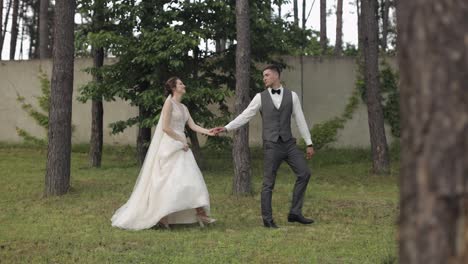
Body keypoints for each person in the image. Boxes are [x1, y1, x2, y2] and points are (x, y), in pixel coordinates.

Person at [211, 65, 315, 228]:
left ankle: (295, 213)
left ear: (276, 76)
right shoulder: (260, 97)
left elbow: (300, 120)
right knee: (268, 183)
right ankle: (267, 219)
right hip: (271, 145)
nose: (264, 78)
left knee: (304, 173)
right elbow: (245, 115)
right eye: (263, 76)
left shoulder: (292, 96)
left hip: (289, 144)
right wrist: (226, 128)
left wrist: (309, 142)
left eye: (266, 75)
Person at [111, 77, 216, 230]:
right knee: (167, 182)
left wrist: (209, 131)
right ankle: (162, 217)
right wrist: (181, 140)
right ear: (174, 88)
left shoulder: (184, 107)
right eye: (180, 84)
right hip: (171, 145)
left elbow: (192, 125)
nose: (184, 85)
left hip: (182, 146)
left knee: (191, 178)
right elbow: (166, 128)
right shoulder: (169, 103)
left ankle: (200, 212)